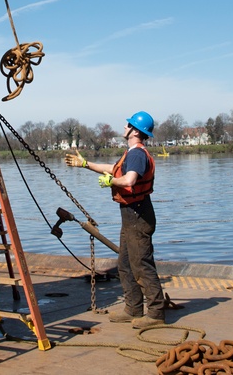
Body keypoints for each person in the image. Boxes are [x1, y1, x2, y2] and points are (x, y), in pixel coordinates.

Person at [64, 111, 169, 329]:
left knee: (141, 263)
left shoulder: (137, 155)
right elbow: (112, 169)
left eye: (128, 124)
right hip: (131, 213)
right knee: (125, 263)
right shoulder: (131, 154)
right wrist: (84, 164)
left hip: (138, 214)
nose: (124, 127)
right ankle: (133, 309)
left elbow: (128, 180)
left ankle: (157, 312)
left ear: (135, 131)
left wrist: (112, 181)